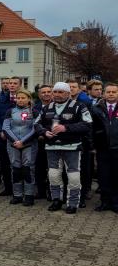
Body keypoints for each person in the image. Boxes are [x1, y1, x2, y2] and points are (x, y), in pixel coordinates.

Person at [34, 82, 92, 214]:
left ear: (68, 93)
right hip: (52, 147)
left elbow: (87, 124)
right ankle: (56, 200)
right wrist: (43, 132)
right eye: (56, 92)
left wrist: (66, 128)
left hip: (72, 147)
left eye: (61, 92)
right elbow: (36, 124)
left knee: (73, 177)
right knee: (53, 175)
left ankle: (72, 203)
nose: (57, 95)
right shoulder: (47, 107)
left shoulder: (79, 106)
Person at [1, 89, 39, 206]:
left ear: (28, 99)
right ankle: (17, 195)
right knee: (15, 169)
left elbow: (35, 128)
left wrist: (23, 141)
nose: (20, 100)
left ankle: (29, 195)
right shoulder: (10, 111)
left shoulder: (34, 112)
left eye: (23, 98)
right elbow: (6, 128)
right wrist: (15, 141)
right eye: (18, 98)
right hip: (13, 144)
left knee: (28, 170)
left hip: (29, 144)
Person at [92, 82, 118, 212]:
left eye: (114, 92)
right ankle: (105, 202)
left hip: (117, 148)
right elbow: (92, 129)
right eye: (108, 92)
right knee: (103, 176)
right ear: (104, 93)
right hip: (102, 148)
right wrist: (94, 144)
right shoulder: (96, 108)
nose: (111, 94)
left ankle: (115, 202)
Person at [0, 76, 21, 197]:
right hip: (3, 137)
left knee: (18, 164)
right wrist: (0, 130)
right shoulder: (2, 99)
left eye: (15, 83)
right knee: (5, 164)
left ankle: (20, 189)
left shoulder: (23, 99)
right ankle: (8, 188)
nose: (12, 85)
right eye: (10, 83)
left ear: (20, 85)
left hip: (19, 138)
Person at [34, 85, 53, 200]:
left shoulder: (57, 107)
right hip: (38, 142)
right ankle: (40, 191)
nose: (46, 94)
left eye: (48, 92)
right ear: (39, 94)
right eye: (43, 92)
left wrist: (45, 133)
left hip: (52, 140)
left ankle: (52, 192)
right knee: (39, 167)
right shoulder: (34, 108)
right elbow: (32, 124)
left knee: (53, 168)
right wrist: (39, 135)